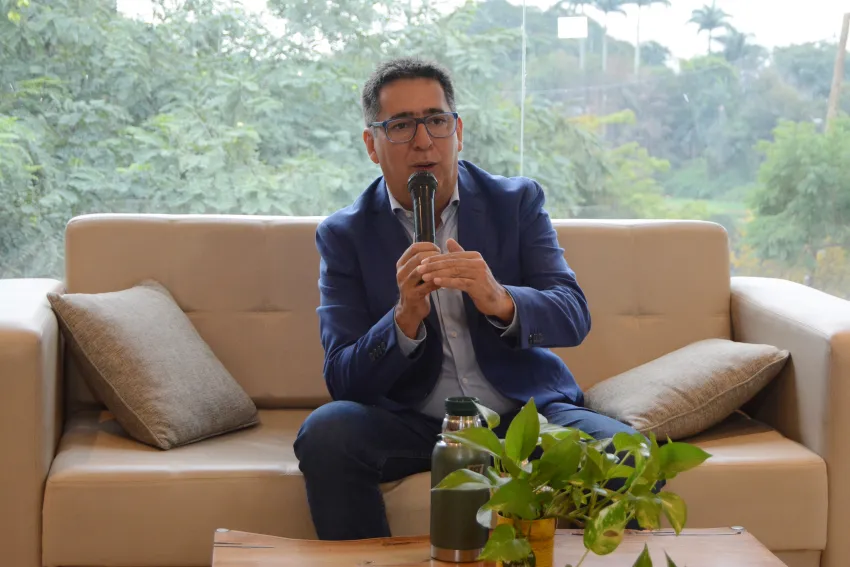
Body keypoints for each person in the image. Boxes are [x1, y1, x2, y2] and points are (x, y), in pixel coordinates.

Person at [294, 56, 642, 541]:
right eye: (401, 126)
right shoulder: (344, 234)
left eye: (436, 121)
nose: (423, 141)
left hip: (525, 416)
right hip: (416, 423)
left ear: (457, 130)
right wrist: (403, 319)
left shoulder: (516, 202)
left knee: (630, 453)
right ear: (372, 144)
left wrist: (499, 299)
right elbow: (342, 377)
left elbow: (572, 313)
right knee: (327, 432)